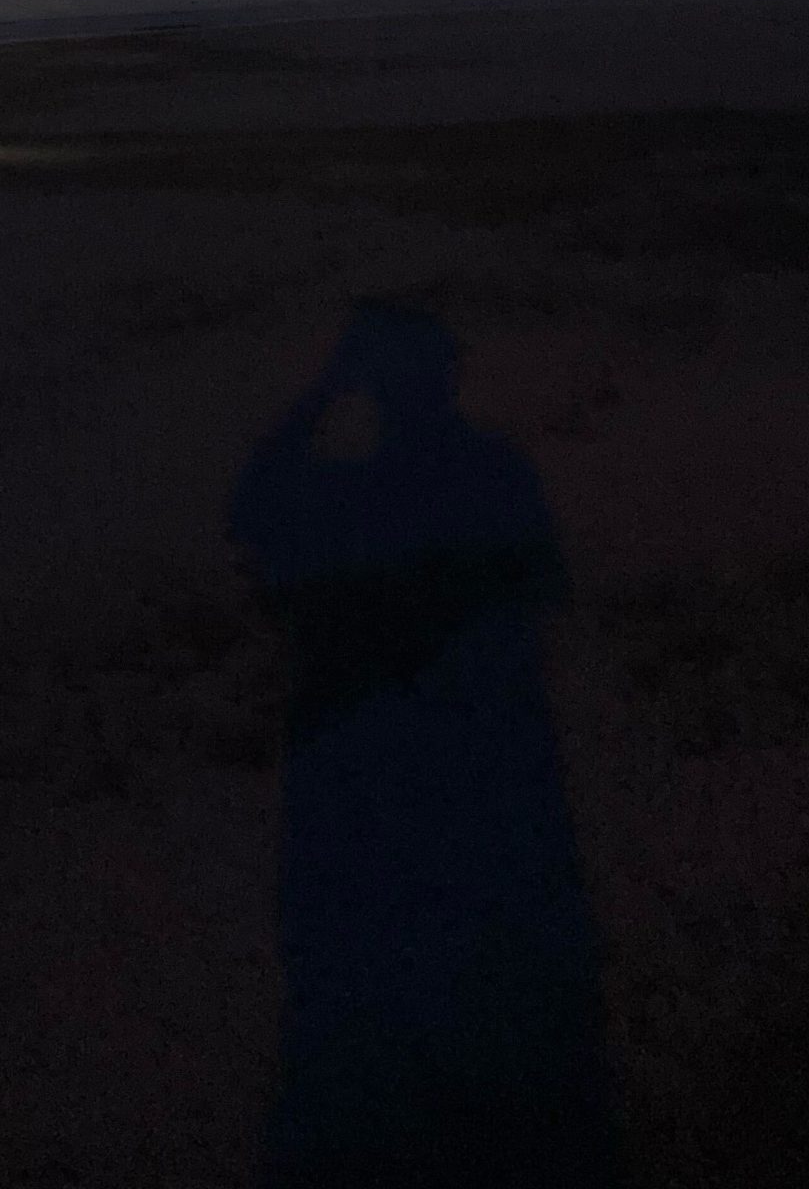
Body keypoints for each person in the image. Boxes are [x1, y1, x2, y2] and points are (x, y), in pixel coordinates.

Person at [228, 302, 619, 1188]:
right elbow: (545, 591)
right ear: (451, 380)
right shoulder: (495, 474)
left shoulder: (344, 495)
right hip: (481, 782)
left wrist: (327, 384)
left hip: (362, 791)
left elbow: (253, 504)